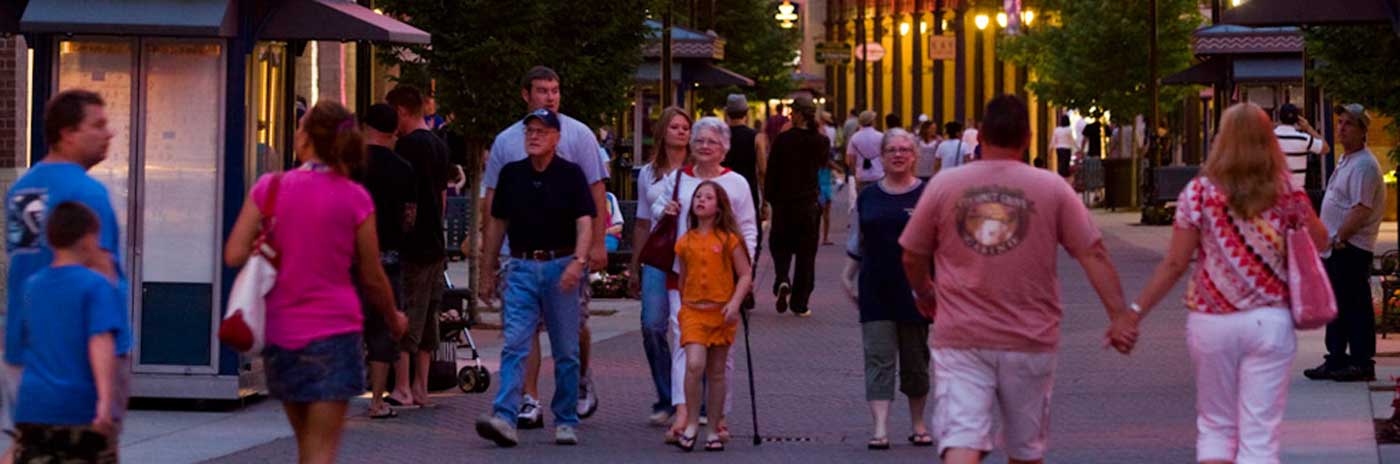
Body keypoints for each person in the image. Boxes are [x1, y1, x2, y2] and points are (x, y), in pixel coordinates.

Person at [899, 95, 1136, 464]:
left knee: (963, 438)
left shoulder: (946, 185)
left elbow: (912, 253)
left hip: (961, 335)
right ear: (1027, 138)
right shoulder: (1052, 188)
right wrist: (1119, 316)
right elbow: (1093, 253)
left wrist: (924, 291)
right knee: (1026, 450)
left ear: (981, 138)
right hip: (1029, 337)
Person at [1127, 102, 1328, 464]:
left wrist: (1134, 313)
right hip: (1270, 320)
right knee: (1259, 434)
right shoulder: (1286, 192)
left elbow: (1174, 263)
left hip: (1212, 319)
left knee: (1216, 426)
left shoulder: (1200, 192)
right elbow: (1322, 240)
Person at [225, 100, 408, 464]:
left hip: (283, 336)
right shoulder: (356, 199)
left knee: (306, 444)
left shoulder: (270, 189)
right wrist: (393, 316)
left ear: (306, 139)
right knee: (321, 449)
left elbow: (233, 254)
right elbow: (372, 276)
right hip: (336, 333)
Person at [480, 67, 609, 425]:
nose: (550, 96)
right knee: (523, 329)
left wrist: (597, 243)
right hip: (519, 253)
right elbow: (493, 201)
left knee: (573, 329)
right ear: (526, 95)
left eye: (555, 90)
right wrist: (487, 256)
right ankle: (530, 398)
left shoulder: (578, 134)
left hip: (568, 252)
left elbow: (596, 190)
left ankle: (580, 380)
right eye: (542, 90)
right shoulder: (508, 141)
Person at [4, 90, 126, 459]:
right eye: (98, 125)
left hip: (25, 348)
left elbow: (23, 263)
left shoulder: (22, 190)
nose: (109, 134)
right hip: (81, 351)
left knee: (28, 447)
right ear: (68, 133)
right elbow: (101, 267)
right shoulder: (87, 192)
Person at [653, 117, 758, 443]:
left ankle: (718, 416)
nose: (704, 146)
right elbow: (655, 204)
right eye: (699, 141)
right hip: (682, 276)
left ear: (724, 148)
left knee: (721, 358)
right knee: (684, 345)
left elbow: (749, 229)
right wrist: (665, 210)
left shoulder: (737, 183)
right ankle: (684, 414)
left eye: (712, 142)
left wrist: (746, 271)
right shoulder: (677, 179)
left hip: (724, 283)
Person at [9, 202, 126, 463]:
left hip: (34, 405)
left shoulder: (31, 286)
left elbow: (21, 343)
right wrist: (106, 402)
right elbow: (100, 341)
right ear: (87, 240)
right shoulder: (96, 286)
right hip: (78, 407)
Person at [841, 129, 932, 451]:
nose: (898, 155)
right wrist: (847, 276)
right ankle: (879, 428)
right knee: (878, 357)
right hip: (875, 287)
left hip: (916, 291)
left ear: (915, 156)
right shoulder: (869, 196)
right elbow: (858, 240)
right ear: (881, 155)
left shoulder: (927, 194)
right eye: (891, 149)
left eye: (904, 150)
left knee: (916, 360)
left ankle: (918, 424)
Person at [1304, 104, 1386, 383]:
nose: (1341, 129)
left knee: (1355, 307)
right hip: (1335, 248)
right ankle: (1336, 358)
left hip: (1350, 248)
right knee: (1336, 305)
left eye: (1348, 124)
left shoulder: (1364, 165)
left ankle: (1361, 363)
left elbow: (1361, 209)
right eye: (1340, 123)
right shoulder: (1346, 160)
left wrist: (1339, 238)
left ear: (1363, 130)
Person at [671, 181, 754, 452]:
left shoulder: (729, 240)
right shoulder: (685, 242)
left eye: (708, 197)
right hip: (694, 311)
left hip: (721, 313)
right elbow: (683, 279)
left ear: (718, 208)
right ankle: (692, 421)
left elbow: (744, 274)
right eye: (698, 196)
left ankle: (713, 427)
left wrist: (734, 302)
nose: (701, 200)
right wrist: (685, 306)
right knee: (694, 364)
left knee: (717, 373)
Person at [385, 85, 452, 410]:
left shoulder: (408, 147)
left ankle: (401, 387)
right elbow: (441, 195)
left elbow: (405, 198)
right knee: (429, 315)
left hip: (414, 242)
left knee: (406, 310)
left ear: (401, 110)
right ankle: (420, 387)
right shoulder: (439, 144)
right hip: (435, 240)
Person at [353, 103, 417, 420]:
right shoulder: (403, 169)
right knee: (382, 331)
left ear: (366, 127)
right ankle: (376, 400)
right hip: (387, 257)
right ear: (393, 131)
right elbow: (409, 217)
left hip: (347, 256)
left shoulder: (349, 165)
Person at [628, 106, 691, 427]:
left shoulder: (697, 170)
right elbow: (641, 221)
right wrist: (634, 264)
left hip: (691, 257)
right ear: (663, 131)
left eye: (685, 127)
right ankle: (666, 395)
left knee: (690, 329)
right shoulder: (649, 173)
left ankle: (693, 397)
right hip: (657, 254)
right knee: (653, 326)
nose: (681, 132)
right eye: (675, 127)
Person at [765, 96, 829, 317]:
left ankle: (782, 278)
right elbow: (822, 164)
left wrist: (769, 199)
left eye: (793, 112)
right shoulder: (820, 141)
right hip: (808, 204)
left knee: (780, 245)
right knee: (806, 254)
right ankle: (800, 303)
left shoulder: (783, 140)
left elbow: (772, 171)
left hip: (784, 203)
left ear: (799, 114)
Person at [722, 94, 763, 223]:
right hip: (749, 191)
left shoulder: (721, 136)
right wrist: (765, 202)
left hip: (724, 191)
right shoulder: (756, 137)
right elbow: (762, 170)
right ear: (746, 113)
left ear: (727, 112)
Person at [1274, 103, 1329, 192]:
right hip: (1297, 195)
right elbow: (1325, 148)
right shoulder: (1303, 139)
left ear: (1279, 117)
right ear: (1297, 119)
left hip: (1275, 195)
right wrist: (1308, 128)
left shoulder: (1269, 137)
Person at [846, 110, 884, 191]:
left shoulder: (854, 138)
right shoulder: (881, 136)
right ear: (872, 121)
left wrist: (855, 176)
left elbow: (851, 160)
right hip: (879, 175)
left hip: (861, 176)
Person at [819, 111, 839, 246]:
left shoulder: (814, 159)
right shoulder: (827, 160)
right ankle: (825, 237)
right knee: (826, 215)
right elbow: (835, 168)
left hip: (816, 186)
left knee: (816, 216)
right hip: (825, 187)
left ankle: (815, 236)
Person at [1049, 115, 1075, 179]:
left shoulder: (1057, 130)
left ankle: (1060, 176)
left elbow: (1053, 140)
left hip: (1059, 149)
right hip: (1067, 149)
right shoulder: (1069, 130)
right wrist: (1076, 149)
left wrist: (1050, 150)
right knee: (1066, 164)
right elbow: (1072, 140)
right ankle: (1065, 178)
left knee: (1060, 163)